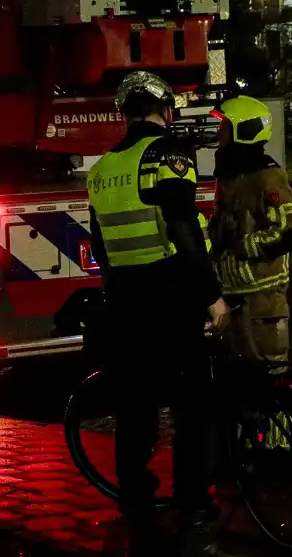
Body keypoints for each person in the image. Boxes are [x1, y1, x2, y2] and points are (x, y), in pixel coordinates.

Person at [86, 71, 233, 556]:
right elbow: (185, 231)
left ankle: (137, 507)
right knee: (194, 409)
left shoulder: (103, 169)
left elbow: (102, 250)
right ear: (166, 112)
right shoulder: (169, 155)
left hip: (126, 304)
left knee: (136, 410)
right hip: (169, 298)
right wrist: (211, 297)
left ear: (124, 114)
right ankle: (193, 511)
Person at [208, 95, 292, 461]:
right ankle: (244, 448)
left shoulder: (269, 174)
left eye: (225, 127)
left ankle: (280, 453)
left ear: (242, 132)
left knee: (272, 376)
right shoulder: (229, 177)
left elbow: (289, 231)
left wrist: (242, 244)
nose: (219, 135)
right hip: (233, 297)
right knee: (237, 379)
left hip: (264, 298)